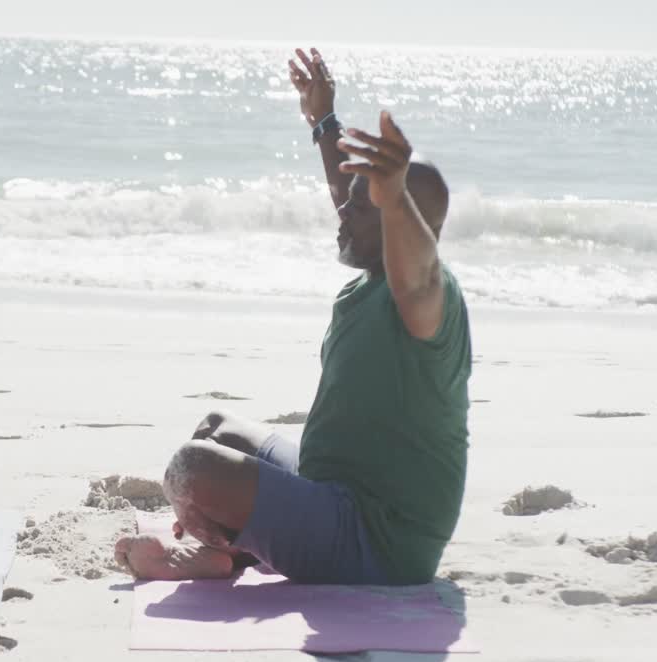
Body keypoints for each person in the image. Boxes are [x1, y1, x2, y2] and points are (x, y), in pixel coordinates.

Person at [114, 47, 472, 586]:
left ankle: (222, 556)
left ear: (402, 224)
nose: (341, 210)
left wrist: (394, 196)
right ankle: (233, 554)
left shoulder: (429, 301)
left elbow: (413, 265)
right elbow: (354, 200)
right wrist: (323, 120)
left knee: (191, 467)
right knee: (216, 430)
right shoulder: (374, 274)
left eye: (361, 205)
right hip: (329, 486)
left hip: (377, 539)